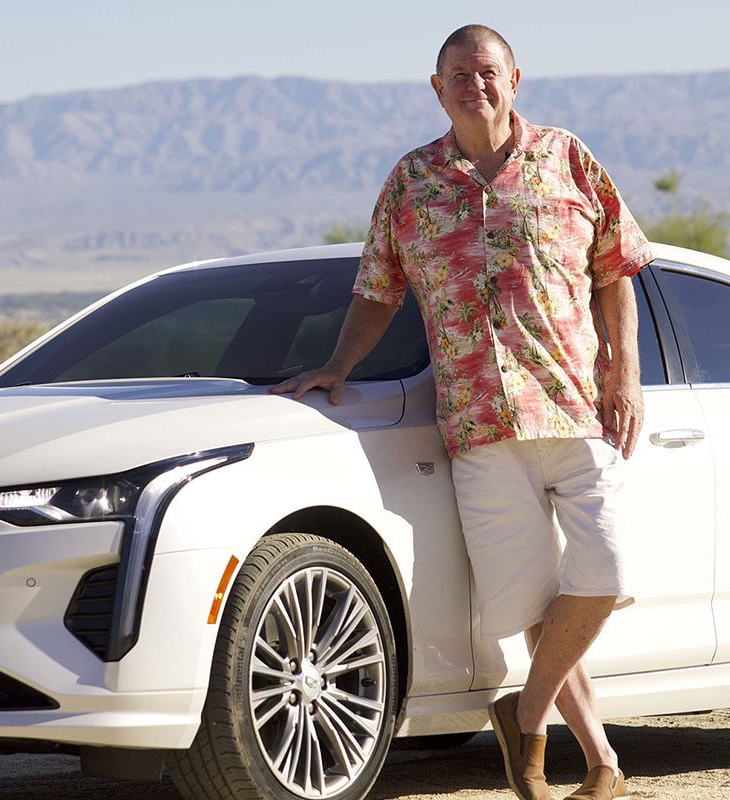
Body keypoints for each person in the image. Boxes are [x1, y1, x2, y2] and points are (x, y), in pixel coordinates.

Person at [271, 23, 653, 800]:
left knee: (605, 576)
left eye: (488, 70)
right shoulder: (411, 182)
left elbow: (617, 269)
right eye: (458, 73)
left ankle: (527, 718)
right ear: (436, 87)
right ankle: (601, 763)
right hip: (478, 427)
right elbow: (377, 290)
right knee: (537, 609)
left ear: (515, 79)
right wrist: (338, 366)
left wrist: (627, 376)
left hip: (577, 409)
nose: (474, 83)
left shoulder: (569, 158)